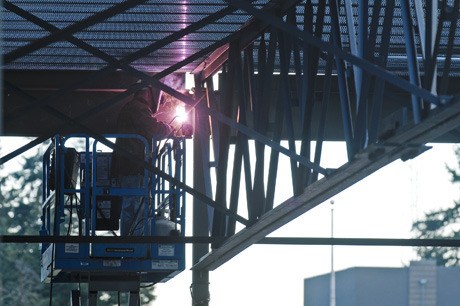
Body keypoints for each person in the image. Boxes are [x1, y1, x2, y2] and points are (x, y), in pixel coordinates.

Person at [111, 84, 173, 236]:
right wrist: (169, 128)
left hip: (129, 168)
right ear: (148, 94)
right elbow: (154, 130)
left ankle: (132, 243)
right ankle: (134, 245)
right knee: (135, 208)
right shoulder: (138, 108)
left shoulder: (131, 108)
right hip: (133, 168)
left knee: (134, 207)